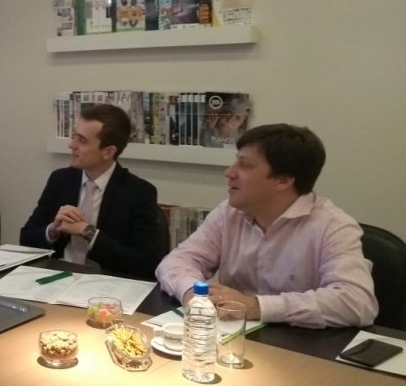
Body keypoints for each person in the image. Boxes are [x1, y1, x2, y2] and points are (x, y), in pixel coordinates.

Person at [156, 124, 377, 328]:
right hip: (231, 337)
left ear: (283, 181)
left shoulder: (333, 226)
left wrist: (257, 307)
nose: (229, 172)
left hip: (302, 346)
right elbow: (177, 261)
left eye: (244, 165)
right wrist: (193, 293)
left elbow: (357, 302)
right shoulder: (229, 213)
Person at [20, 104, 166, 280]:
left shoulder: (139, 192)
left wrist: (89, 232)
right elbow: (25, 238)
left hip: (105, 284)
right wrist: (53, 229)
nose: (71, 145)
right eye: (75, 136)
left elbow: (146, 264)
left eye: (82, 141)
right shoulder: (60, 180)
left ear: (108, 152)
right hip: (57, 278)